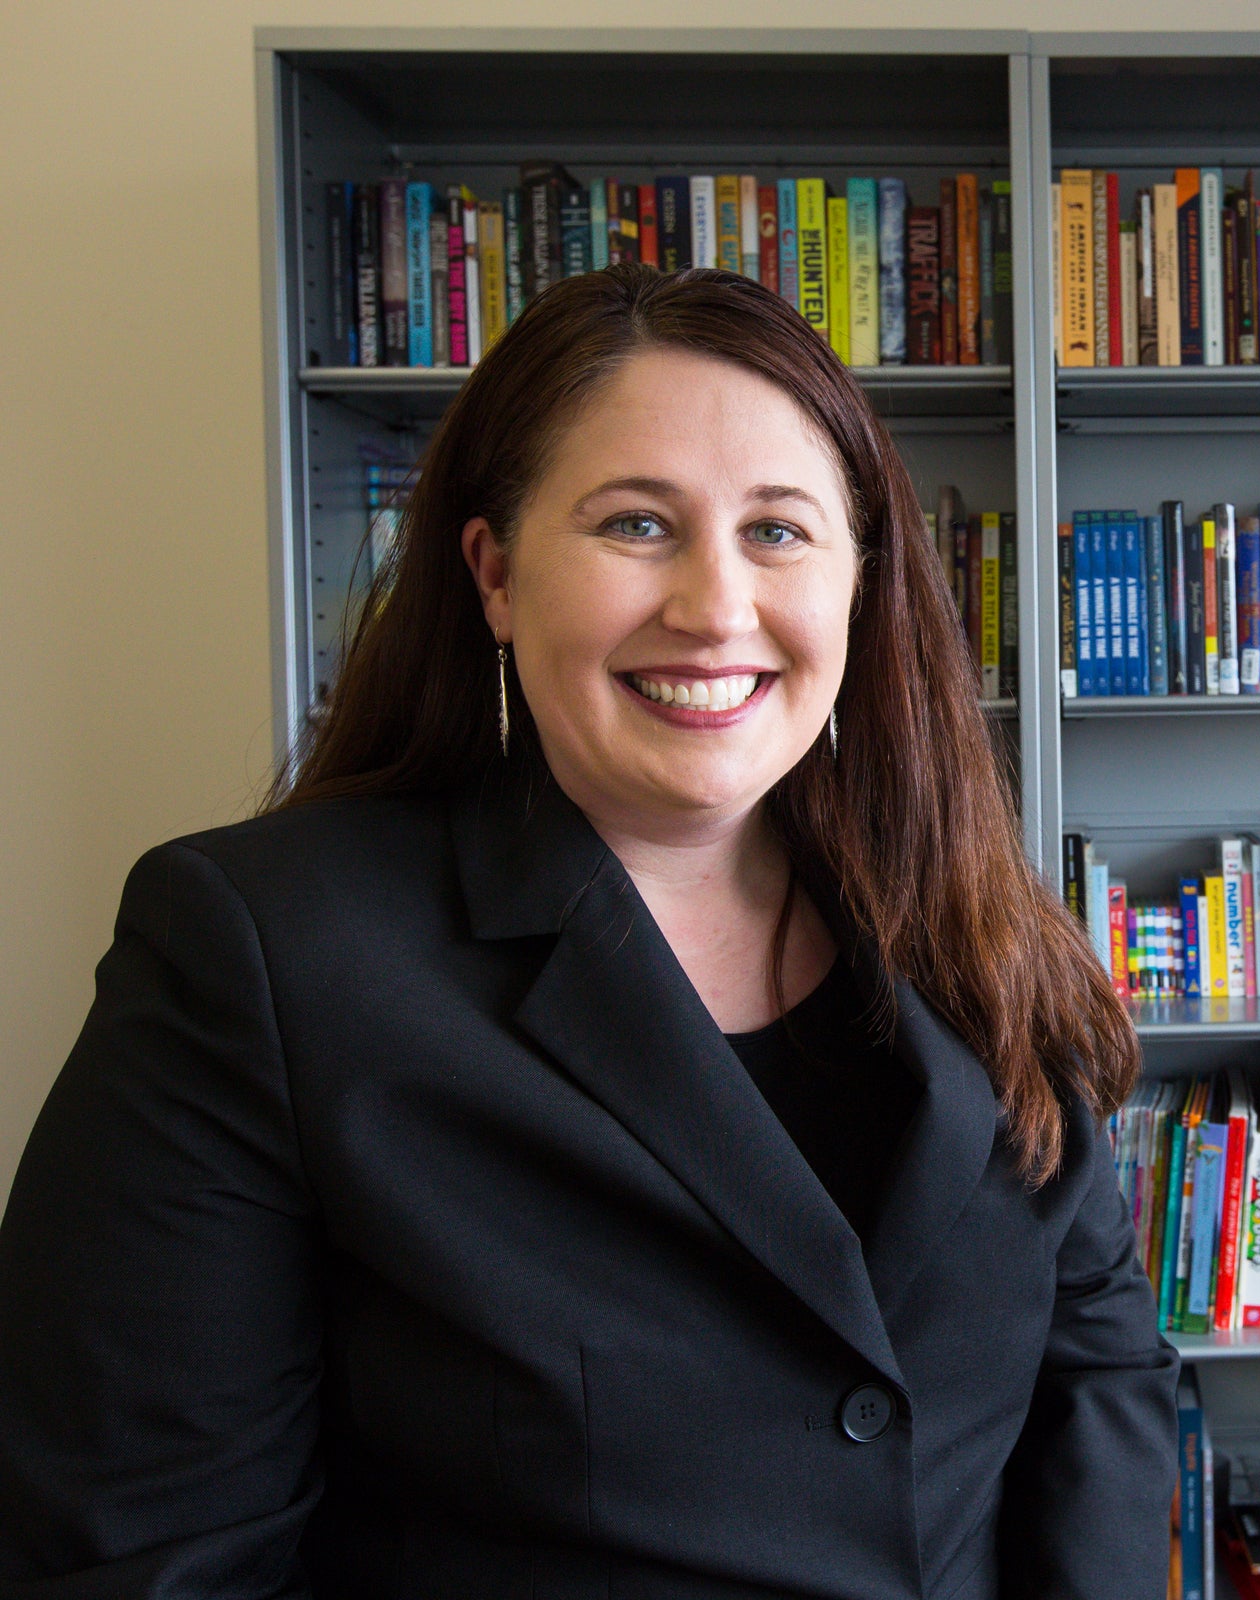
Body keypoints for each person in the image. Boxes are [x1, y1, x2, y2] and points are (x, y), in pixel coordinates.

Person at [0, 265, 1178, 1598]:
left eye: (780, 532)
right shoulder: (258, 951)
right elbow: (146, 1559)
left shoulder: (974, 921)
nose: (716, 608)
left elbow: (1100, 1380)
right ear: (495, 574)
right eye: (635, 524)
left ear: (860, 580)